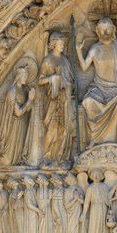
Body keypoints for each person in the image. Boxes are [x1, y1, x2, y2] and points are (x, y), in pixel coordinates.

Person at [76, 17, 117, 147]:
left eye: (108, 30)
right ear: (97, 31)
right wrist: (78, 50)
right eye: (102, 30)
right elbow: (84, 67)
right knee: (88, 101)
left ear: (113, 30)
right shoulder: (95, 49)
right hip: (99, 88)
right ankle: (94, 139)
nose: (105, 33)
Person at [38, 31, 74, 168]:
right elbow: (40, 80)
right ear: (53, 44)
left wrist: (68, 84)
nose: (62, 46)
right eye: (60, 43)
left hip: (66, 98)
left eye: (63, 44)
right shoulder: (48, 60)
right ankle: (46, 157)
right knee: (52, 130)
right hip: (53, 100)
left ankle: (61, 158)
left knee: (64, 130)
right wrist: (52, 78)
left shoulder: (66, 60)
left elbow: (71, 78)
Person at [0, 64, 35, 165]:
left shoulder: (25, 90)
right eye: (24, 76)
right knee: (8, 160)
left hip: (21, 125)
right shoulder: (12, 91)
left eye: (27, 76)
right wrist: (30, 100)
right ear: (18, 76)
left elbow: (28, 108)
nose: (26, 78)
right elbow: (17, 112)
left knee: (17, 156)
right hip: (12, 126)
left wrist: (32, 101)